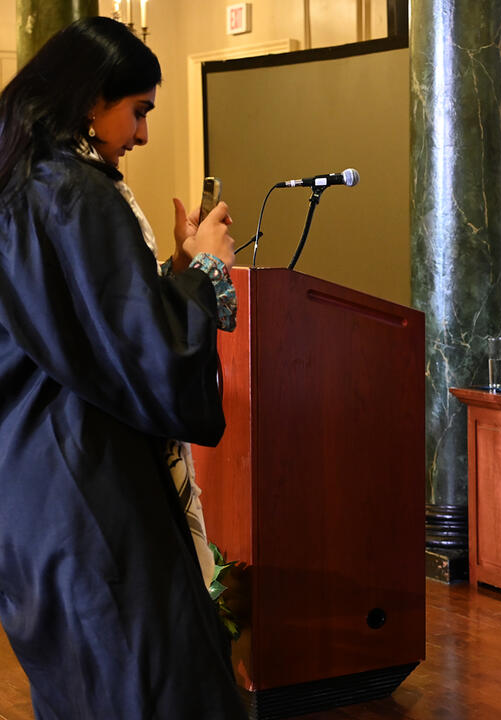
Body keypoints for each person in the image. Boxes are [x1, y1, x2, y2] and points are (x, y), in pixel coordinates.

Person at [0, 17, 248, 719]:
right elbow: (152, 361)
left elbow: (85, 331)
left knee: (83, 690)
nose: (141, 134)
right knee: (153, 689)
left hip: (26, 495)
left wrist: (166, 280)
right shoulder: (76, 193)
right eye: (138, 111)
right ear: (89, 100)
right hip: (88, 493)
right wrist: (204, 270)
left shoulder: (18, 185)